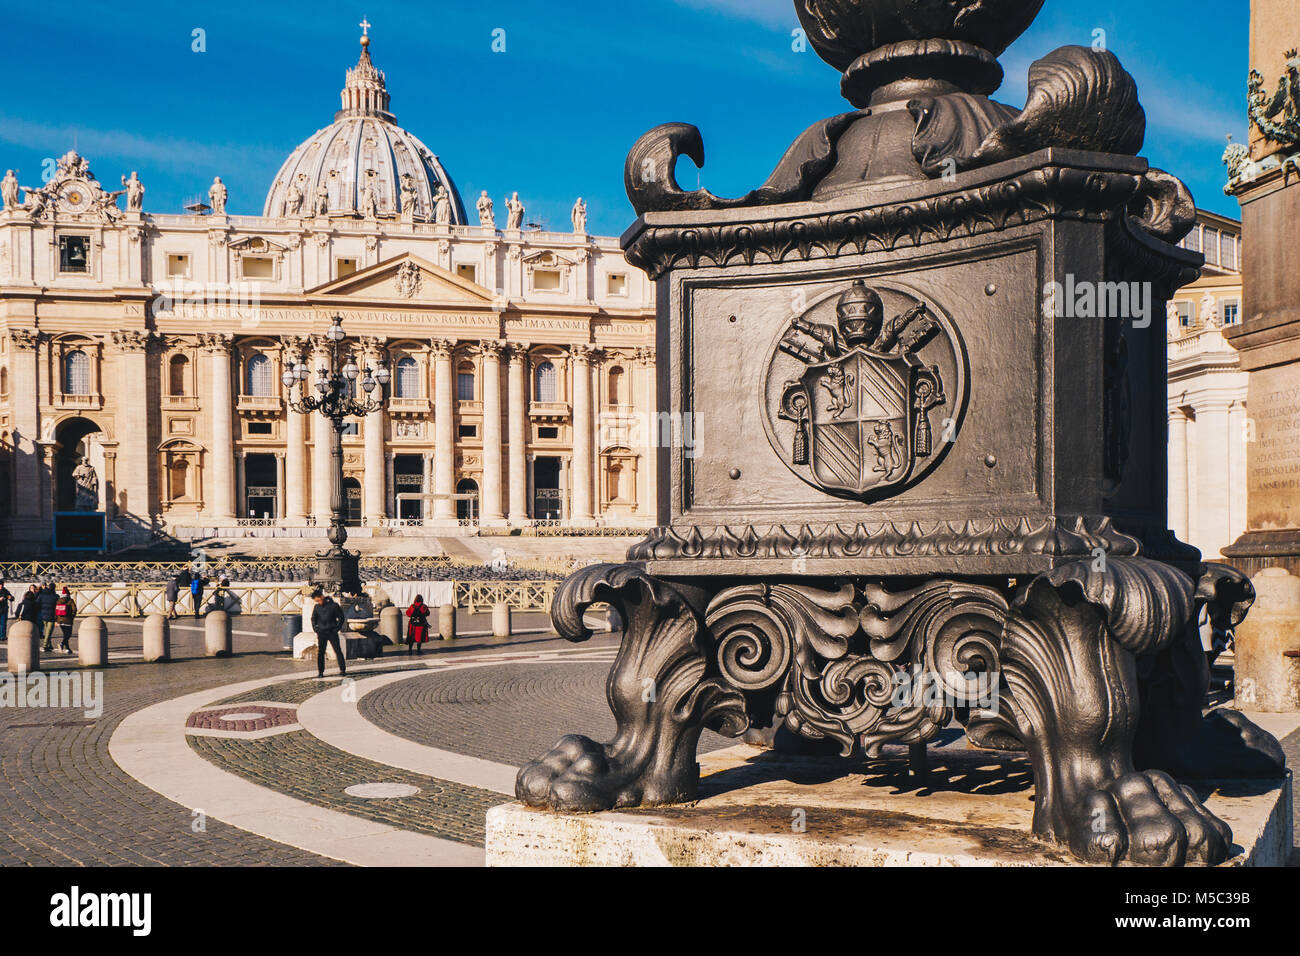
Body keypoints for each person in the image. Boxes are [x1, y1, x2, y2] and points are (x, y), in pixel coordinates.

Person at [310, 590, 346, 679]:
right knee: (321, 653)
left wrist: (336, 629)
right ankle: (320, 672)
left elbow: (341, 618)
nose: (318, 602)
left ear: (321, 596)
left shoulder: (334, 606)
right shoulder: (317, 607)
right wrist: (316, 629)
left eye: (318, 600)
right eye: (316, 601)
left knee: (337, 650)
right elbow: (313, 619)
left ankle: (342, 669)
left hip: (332, 632)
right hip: (321, 633)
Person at [37, 582, 59, 652]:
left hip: (43, 614)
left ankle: (49, 645)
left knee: (46, 630)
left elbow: (37, 603)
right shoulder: (56, 596)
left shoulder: (41, 595)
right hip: (51, 615)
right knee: (48, 632)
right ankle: (45, 645)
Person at [55, 587, 77, 655]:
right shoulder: (70, 600)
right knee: (68, 635)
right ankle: (62, 644)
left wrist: (56, 621)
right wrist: (72, 616)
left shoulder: (58, 600)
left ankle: (68, 649)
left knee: (65, 635)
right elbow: (74, 609)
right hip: (68, 620)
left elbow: (55, 611)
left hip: (60, 621)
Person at [0, 579, 12, 643]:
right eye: (0, 585)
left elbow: (12, 598)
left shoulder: (5, 591)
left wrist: (10, 597)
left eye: (2, 585)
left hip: (4, 609)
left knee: (3, 624)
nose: (1, 586)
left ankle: (2, 636)